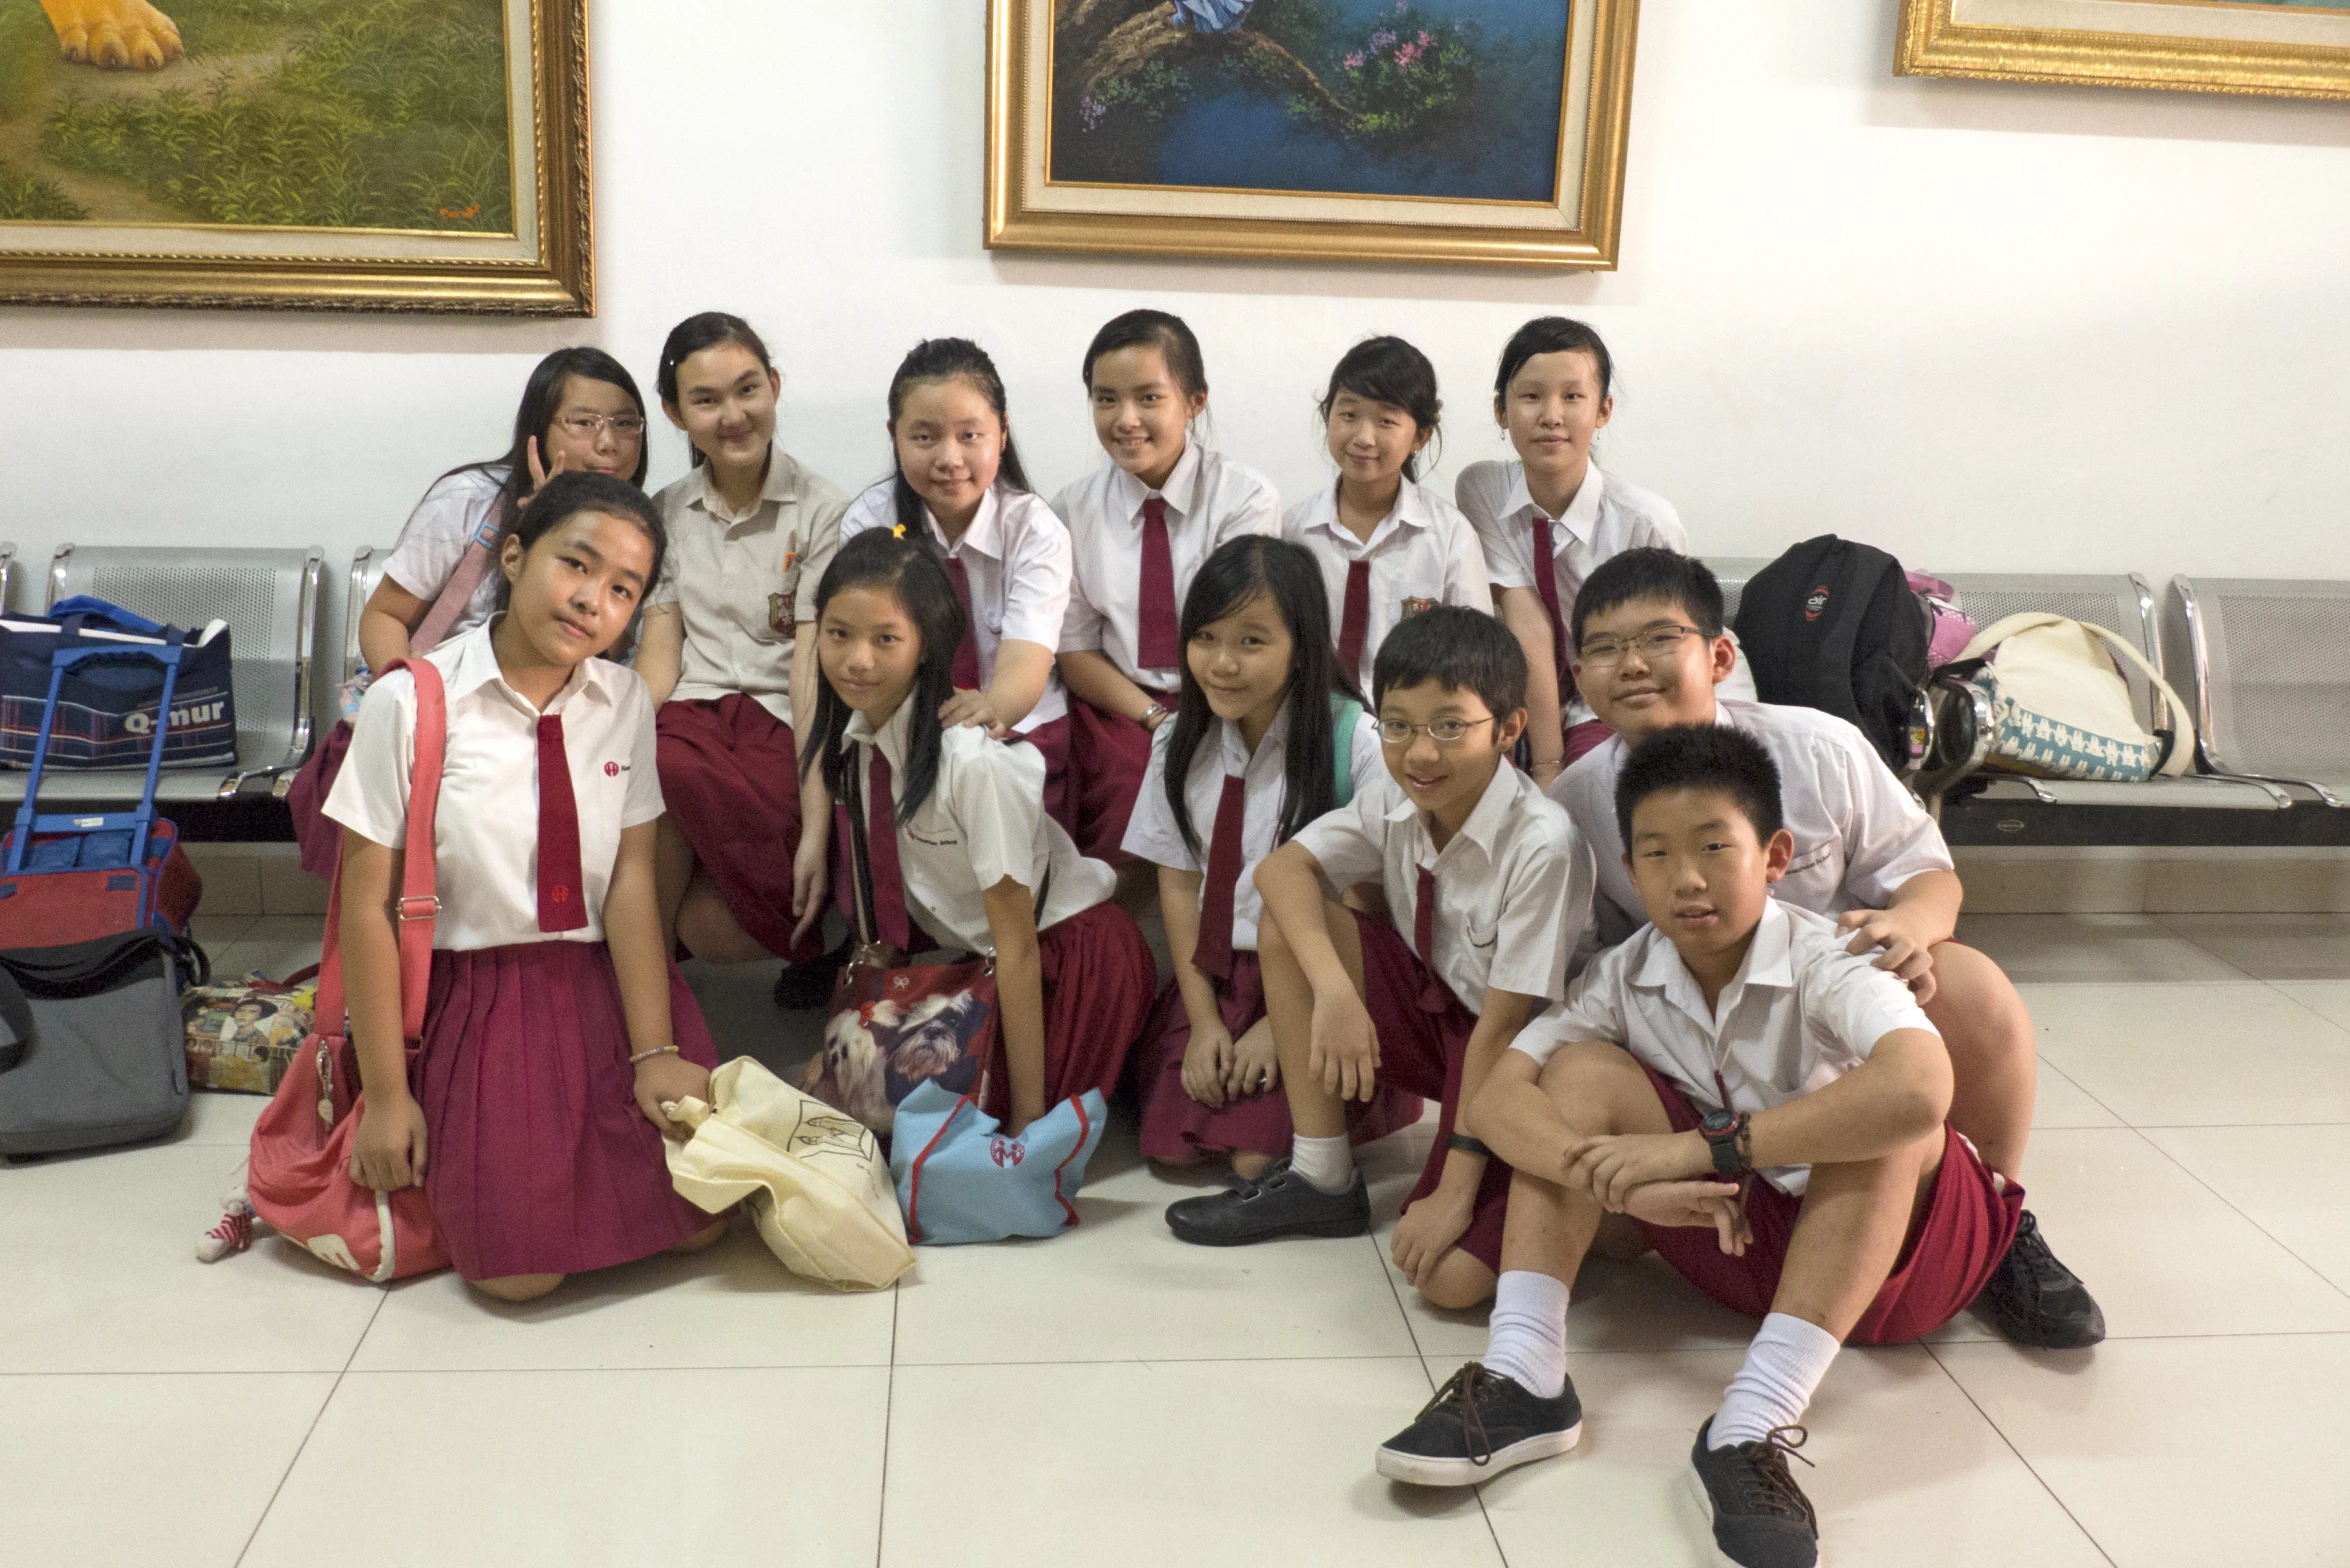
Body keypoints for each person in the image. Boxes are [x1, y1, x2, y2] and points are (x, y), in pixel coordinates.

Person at [1375, 726, 2029, 1568]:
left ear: (1775, 855)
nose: (1687, 879)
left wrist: (1702, 1150)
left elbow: (1919, 1090)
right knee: (1575, 1074)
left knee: (1874, 1114)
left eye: (1715, 846)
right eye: (1655, 854)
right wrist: (1613, 1183)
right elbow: (1499, 1093)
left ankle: (1750, 1425)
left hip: (1906, 1261)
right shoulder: (1622, 973)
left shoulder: (1829, 957)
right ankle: (1526, 1375)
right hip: (1750, 1247)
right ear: (1630, 870)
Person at [1549, 547, 2102, 1347]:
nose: (1631, 664)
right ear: (1578, 675)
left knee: (1970, 987)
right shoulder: (1573, 806)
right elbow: (1581, 966)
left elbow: (1929, 878)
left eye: (1659, 638)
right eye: (1603, 648)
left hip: (1848, 1024)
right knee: (1603, 1197)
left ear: (1720, 655)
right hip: (1702, 1042)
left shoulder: (1820, 750)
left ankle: (1997, 1222)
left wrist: (1910, 926)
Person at [328, 471, 725, 1303]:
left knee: (709, 1220)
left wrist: (654, 1051)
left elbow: (630, 880)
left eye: (623, 589)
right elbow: (364, 907)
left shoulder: (623, 703)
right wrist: (387, 1101)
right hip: (482, 996)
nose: (592, 601)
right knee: (520, 1276)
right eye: (575, 565)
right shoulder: (409, 701)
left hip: (602, 987)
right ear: (513, 554)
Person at [1165, 607, 1593, 1313]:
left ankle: (1571, 1201)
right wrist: (1334, 995)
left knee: (1448, 1282)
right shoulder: (1397, 796)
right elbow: (1280, 871)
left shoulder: (1541, 843)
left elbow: (1503, 1027)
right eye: (1398, 725)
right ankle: (1321, 1178)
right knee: (1290, 921)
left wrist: (1455, 1191)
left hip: (1519, 1058)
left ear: (1510, 729)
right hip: (1438, 1015)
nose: (1420, 753)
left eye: (1450, 727)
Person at [803, 529, 1155, 1134]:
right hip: (978, 969)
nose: (857, 660)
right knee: (835, 1111)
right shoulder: (858, 745)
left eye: (885, 639)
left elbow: (1016, 945)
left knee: (932, 1136)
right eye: (839, 634)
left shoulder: (974, 762)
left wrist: (1025, 1119)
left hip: (1065, 966)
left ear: (926, 645)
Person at [288, 348, 651, 878]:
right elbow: (384, 615)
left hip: (554, 722)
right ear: (539, 429)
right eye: (584, 422)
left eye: (625, 424)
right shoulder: (471, 500)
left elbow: (603, 650)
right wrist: (416, 708)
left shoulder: (638, 530)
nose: (608, 443)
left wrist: (568, 534)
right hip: (448, 711)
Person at [1123, 536, 1422, 1179]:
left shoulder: (1355, 741)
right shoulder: (1179, 741)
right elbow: (1179, 887)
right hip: (1220, 974)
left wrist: (1277, 1033)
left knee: (1255, 1160)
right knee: (1169, 1145)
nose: (1223, 663)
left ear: (1303, 645)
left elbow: (1377, 899)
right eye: (1205, 638)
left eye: (1252, 642)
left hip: (1319, 972)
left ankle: (1361, 1110)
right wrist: (1205, 1022)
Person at [636, 312, 850, 985]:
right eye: (705, 399)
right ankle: (643, 1006)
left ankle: (639, 994)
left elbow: (812, 681)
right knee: (655, 761)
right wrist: (599, 733)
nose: (732, 415)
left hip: (786, 728)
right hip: (692, 723)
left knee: (709, 920)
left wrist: (816, 824)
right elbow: (661, 659)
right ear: (674, 412)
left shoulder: (823, 512)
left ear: (775, 387)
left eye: (747, 389)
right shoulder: (663, 513)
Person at [1055, 309, 1281, 862]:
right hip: (1120, 703)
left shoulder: (1244, 501)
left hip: (1225, 693)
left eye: (1149, 398)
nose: (1126, 418)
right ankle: (1105, 939)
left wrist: (1191, 719)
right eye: (1106, 399)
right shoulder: (1071, 510)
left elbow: (1241, 635)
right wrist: (1153, 718)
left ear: (1195, 402)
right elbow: (1076, 650)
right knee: (1124, 784)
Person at [839, 339, 1078, 836]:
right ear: (895, 435)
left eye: (970, 435)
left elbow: (1026, 658)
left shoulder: (1036, 530)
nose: (950, 458)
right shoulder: (871, 521)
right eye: (924, 438)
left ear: (1003, 432)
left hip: (1017, 731)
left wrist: (991, 708)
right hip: (902, 728)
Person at [1454, 317, 1689, 780]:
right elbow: (1527, 622)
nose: (1551, 415)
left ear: (1603, 411)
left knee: (1595, 789)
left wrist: (1554, 772)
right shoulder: (1482, 489)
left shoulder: (1645, 522)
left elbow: (1676, 650)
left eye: (1573, 396)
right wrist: (1547, 762)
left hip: (1612, 702)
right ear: (1501, 410)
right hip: (1524, 701)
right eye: (1531, 396)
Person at [1282, 336, 1490, 698]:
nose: (1364, 437)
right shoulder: (1293, 530)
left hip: (1411, 726)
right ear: (1327, 417)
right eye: (1348, 414)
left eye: (1386, 421)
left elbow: (1475, 656)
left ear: (1421, 436)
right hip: (1312, 722)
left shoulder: (1449, 535)